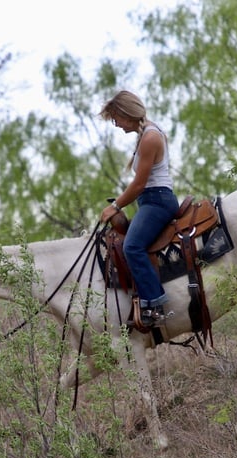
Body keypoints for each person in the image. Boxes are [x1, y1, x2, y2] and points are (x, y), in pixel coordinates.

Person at [99, 90, 179, 328]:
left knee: (132, 246)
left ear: (127, 114)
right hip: (151, 200)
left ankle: (154, 306)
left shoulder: (150, 137)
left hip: (157, 201)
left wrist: (115, 206)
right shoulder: (147, 134)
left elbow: (139, 184)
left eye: (116, 118)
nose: (116, 124)